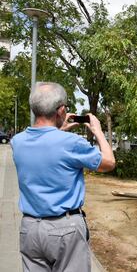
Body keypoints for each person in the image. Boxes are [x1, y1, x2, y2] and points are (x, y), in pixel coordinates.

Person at [11, 82, 115, 272]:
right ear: (61, 111)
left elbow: (44, 143)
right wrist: (98, 131)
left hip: (30, 228)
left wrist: (59, 129)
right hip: (65, 229)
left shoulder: (17, 142)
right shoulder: (71, 143)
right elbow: (108, 162)